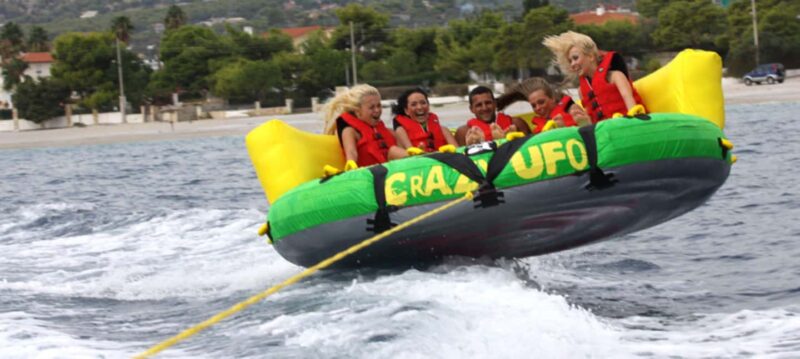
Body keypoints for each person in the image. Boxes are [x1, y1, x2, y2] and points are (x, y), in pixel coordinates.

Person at [543, 31, 646, 123]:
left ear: (591, 56)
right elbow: (591, 123)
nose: (573, 64)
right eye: (570, 61)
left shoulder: (616, 76)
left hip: (627, 125)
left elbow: (632, 107)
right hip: (606, 135)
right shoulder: (581, 91)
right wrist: (580, 120)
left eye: (575, 58)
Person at [322, 84, 407, 168]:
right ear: (358, 112)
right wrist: (351, 165)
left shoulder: (390, 132)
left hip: (394, 172)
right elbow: (351, 153)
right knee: (393, 151)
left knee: (395, 148)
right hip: (371, 175)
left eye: (379, 106)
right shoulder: (350, 131)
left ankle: (418, 158)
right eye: (371, 107)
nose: (377, 110)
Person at [496, 77, 590, 134]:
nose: (538, 108)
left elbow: (588, 132)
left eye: (541, 102)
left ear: (552, 98)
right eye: (534, 106)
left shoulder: (571, 109)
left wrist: (564, 128)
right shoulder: (538, 127)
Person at [455, 86, 530, 146]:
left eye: (488, 103)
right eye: (479, 105)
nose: (484, 108)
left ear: (495, 104)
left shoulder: (516, 123)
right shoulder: (463, 132)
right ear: (472, 109)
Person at [391, 88, 458, 153]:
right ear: (406, 111)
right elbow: (410, 153)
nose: (420, 107)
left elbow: (458, 152)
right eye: (414, 104)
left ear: (428, 106)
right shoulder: (400, 131)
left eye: (423, 103)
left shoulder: (443, 130)